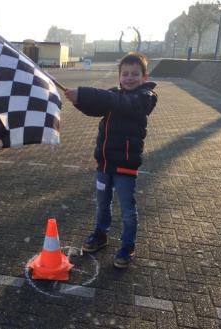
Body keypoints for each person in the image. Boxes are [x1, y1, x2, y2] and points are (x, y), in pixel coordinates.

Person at [64, 52, 157, 268]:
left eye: (135, 74)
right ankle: (100, 234)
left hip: (125, 166)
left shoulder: (145, 97)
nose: (130, 78)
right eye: (125, 74)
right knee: (102, 204)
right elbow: (97, 108)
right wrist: (77, 100)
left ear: (144, 77)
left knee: (127, 209)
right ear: (119, 76)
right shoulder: (116, 94)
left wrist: (85, 92)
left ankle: (128, 245)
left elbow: (119, 103)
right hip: (104, 164)